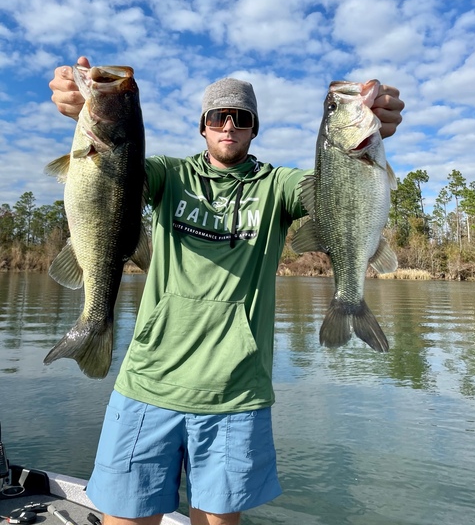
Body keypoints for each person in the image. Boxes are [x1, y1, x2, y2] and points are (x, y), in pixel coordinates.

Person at [49, 57, 404, 525]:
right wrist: (82, 109)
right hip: (147, 386)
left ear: (254, 129)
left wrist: (371, 132)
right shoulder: (167, 177)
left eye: (242, 117)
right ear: (203, 127)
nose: (229, 125)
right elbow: (114, 172)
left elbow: (337, 191)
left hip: (236, 396)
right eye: (219, 116)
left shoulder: (279, 186)